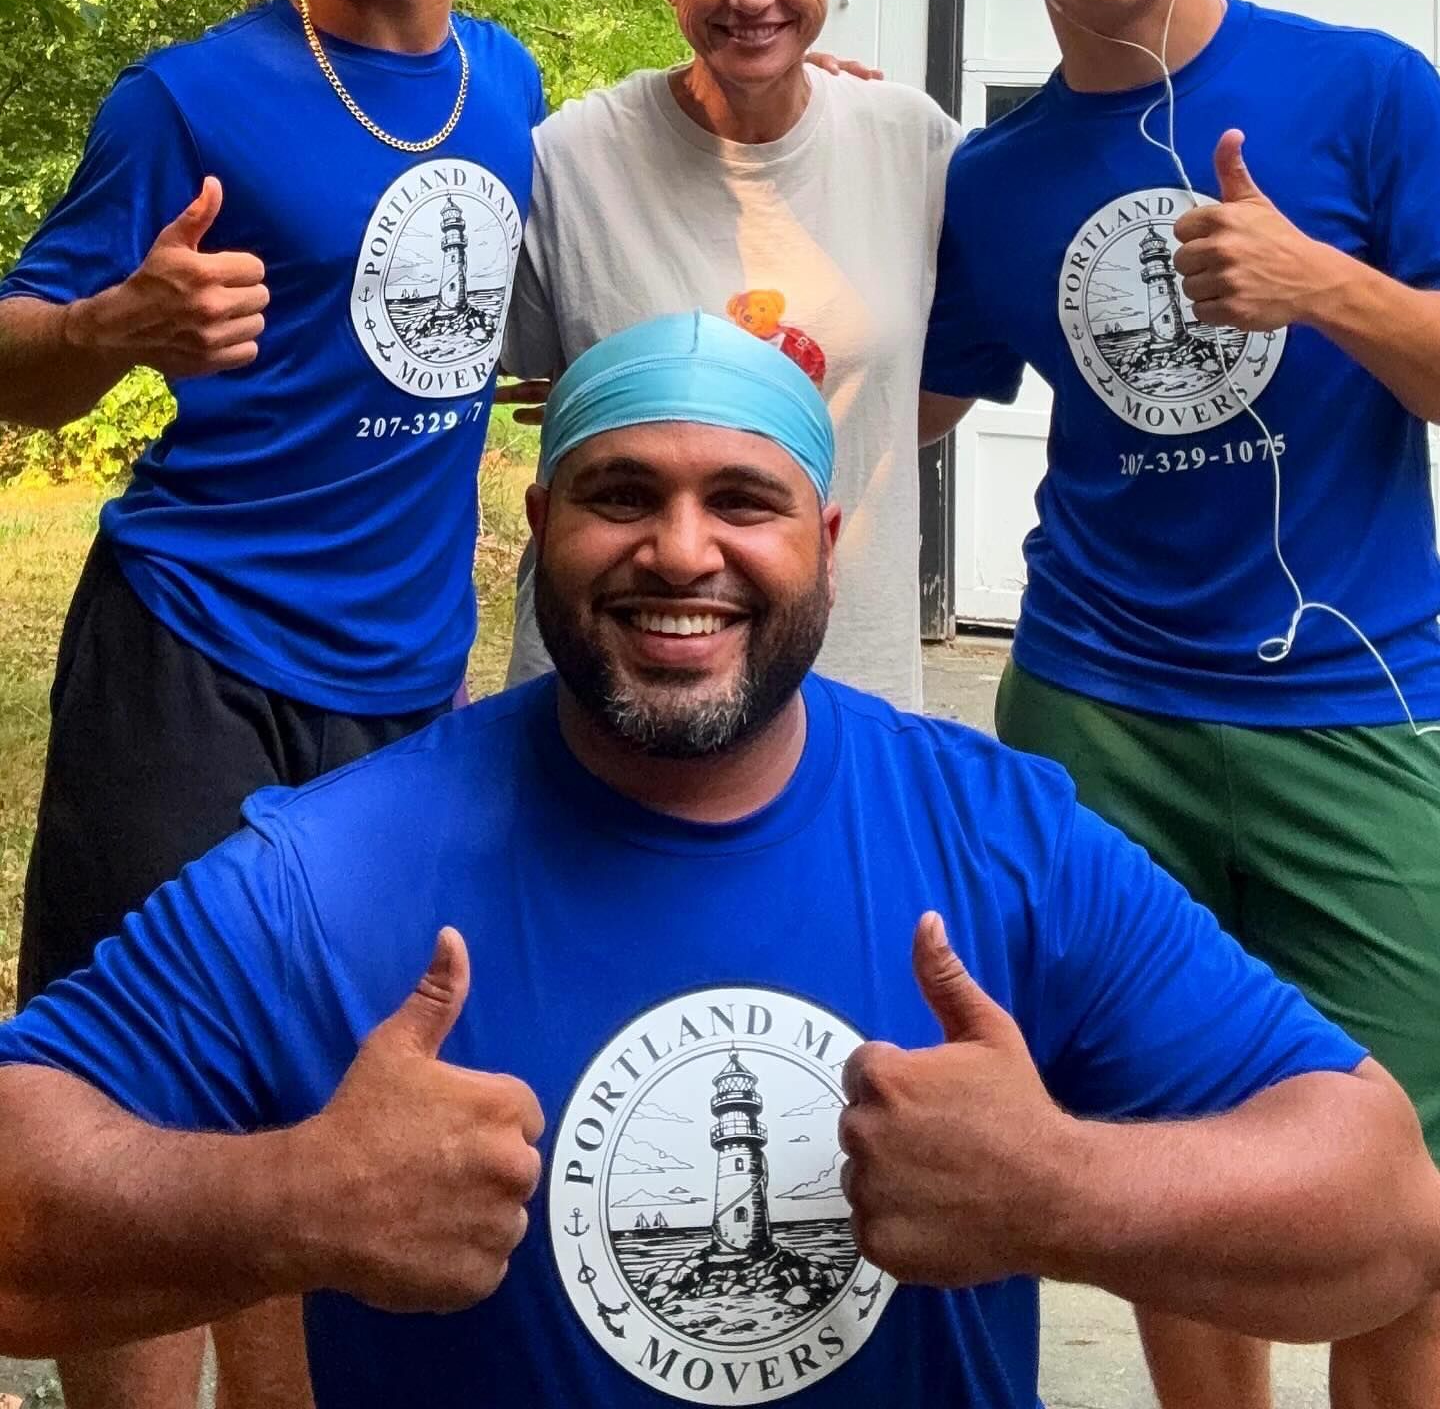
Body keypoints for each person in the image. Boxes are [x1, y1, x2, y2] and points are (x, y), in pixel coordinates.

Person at [1, 310, 1436, 1409]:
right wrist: (292, 1203)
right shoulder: (337, 868)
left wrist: (1065, 1192)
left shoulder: (1002, 840)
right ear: (542, 523)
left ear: (824, 537)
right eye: (621, 495)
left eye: (743, 503)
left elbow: (1382, 1213)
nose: (680, 551)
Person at [0, 0, 543, 1408]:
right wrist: (114, 321)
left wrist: (775, 72)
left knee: (339, 1111)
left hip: (402, 692)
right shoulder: (189, 98)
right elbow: (17, 361)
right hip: (193, 655)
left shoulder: (515, 82)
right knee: (128, 1115)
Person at [920, 0, 1440, 1409]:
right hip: (1098, 716)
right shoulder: (993, 180)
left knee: (1410, 1202)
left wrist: (1322, 287)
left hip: (1357, 709)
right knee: (1163, 1174)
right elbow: (898, 401)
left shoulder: (1361, 90)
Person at [501, 0, 959, 710]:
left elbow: (924, 398)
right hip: (611, 663)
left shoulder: (914, 145)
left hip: (846, 662)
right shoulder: (573, 159)